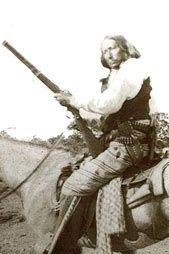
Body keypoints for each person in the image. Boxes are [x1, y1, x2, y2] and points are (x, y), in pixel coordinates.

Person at [54, 34, 155, 196]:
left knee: (71, 186)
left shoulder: (130, 68)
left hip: (127, 145)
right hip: (123, 142)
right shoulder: (119, 74)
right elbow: (106, 115)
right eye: (104, 51)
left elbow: (110, 104)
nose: (108, 54)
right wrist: (74, 108)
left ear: (124, 49)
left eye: (112, 48)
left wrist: (73, 100)